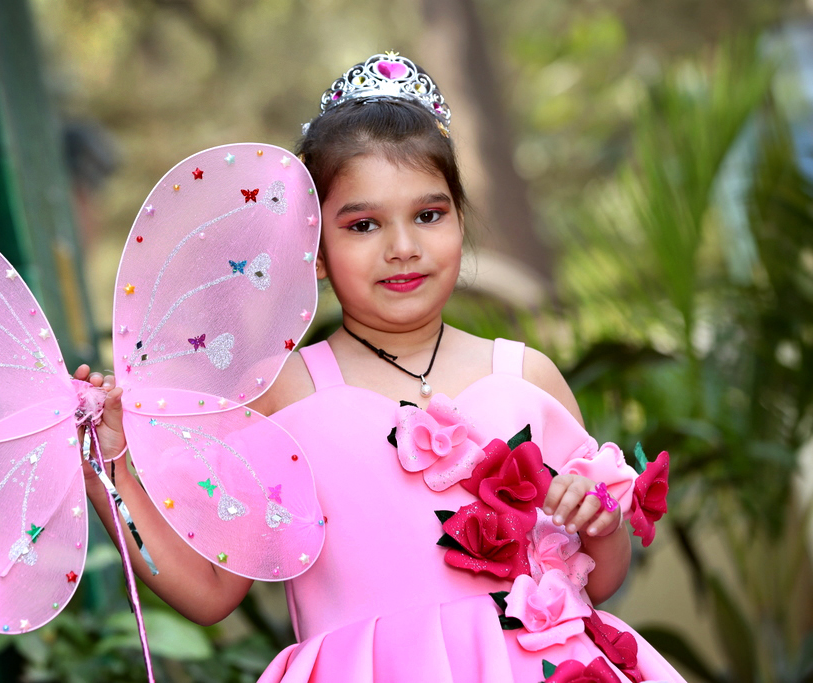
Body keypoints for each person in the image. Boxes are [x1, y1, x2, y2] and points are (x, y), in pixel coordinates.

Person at [76, 53, 685, 683]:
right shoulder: (281, 397)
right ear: (313, 250)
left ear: (460, 220)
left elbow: (601, 583)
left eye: (428, 215)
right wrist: (108, 471)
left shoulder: (528, 380)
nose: (403, 247)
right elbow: (208, 591)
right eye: (363, 224)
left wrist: (601, 523)